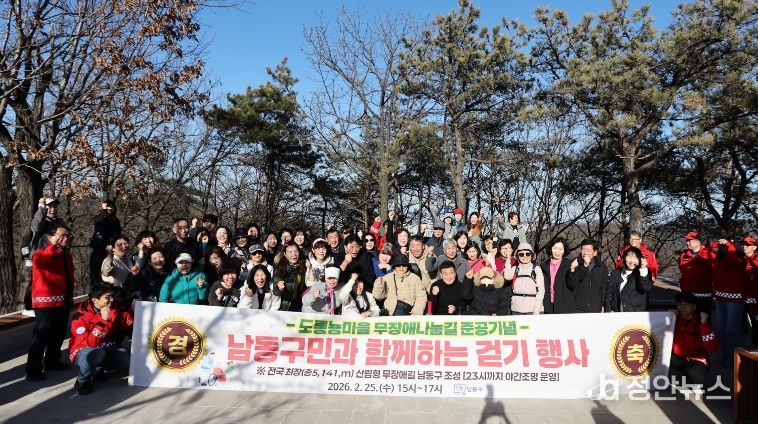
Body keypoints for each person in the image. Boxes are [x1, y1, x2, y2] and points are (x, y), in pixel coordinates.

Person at [25, 224, 74, 382]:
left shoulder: (65, 254)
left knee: (59, 334)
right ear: (50, 237)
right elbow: (40, 263)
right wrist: (53, 245)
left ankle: (52, 361)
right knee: (41, 336)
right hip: (45, 302)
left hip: (63, 300)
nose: (65, 238)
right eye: (62, 235)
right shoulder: (40, 254)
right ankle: (33, 369)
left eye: (67, 236)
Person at [68, 284, 133, 395]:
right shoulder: (80, 316)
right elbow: (90, 344)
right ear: (95, 300)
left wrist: (130, 308)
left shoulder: (113, 307)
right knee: (95, 353)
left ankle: (98, 369)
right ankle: (82, 381)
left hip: (105, 346)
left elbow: (127, 324)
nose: (111, 299)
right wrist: (103, 321)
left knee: (126, 359)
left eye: (112, 296)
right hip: (82, 350)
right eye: (107, 297)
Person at [709, 237, 745, 366]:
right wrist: (718, 242)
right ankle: (723, 355)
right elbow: (709, 249)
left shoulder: (739, 260)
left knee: (732, 330)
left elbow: (731, 258)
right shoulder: (718, 259)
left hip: (734, 300)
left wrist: (729, 244)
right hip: (720, 298)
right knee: (720, 329)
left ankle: (733, 358)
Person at [670, 292, 719, 388]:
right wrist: (667, 318)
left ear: (694, 307)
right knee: (658, 357)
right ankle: (681, 375)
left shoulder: (701, 321)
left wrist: (704, 325)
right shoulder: (674, 318)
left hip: (696, 360)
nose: (682, 307)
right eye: (680, 304)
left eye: (687, 305)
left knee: (697, 377)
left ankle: (693, 378)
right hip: (677, 358)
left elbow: (713, 347)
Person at [21, 197, 66, 267]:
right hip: (43, 258)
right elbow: (38, 223)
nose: (53, 209)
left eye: (55, 207)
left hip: (57, 258)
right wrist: (42, 209)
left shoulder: (60, 222)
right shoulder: (42, 222)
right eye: (49, 207)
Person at [605, 247, 653, 312]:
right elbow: (609, 294)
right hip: (617, 313)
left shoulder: (643, 272)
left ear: (640, 259)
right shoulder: (615, 273)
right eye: (629, 257)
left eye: (635, 258)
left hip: (636, 314)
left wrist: (643, 269)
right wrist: (608, 310)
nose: (632, 261)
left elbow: (645, 288)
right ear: (624, 258)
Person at [567, 238, 609, 313]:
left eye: (589, 250)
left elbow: (604, 289)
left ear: (595, 253)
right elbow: (572, 284)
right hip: (576, 308)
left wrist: (603, 305)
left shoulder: (602, 267)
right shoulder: (574, 264)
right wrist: (584, 266)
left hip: (595, 308)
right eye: (583, 249)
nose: (585, 252)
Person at [504, 242, 545, 315]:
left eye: (528, 254)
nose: (525, 256)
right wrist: (508, 260)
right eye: (521, 254)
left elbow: (541, 290)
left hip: (532, 309)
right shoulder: (515, 268)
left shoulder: (536, 269)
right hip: (516, 309)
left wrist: (537, 308)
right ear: (518, 256)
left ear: (531, 255)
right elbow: (507, 277)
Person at [678, 231, 713, 313]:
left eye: (689, 240)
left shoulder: (709, 255)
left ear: (698, 242)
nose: (687, 243)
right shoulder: (684, 255)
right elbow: (681, 269)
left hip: (703, 295)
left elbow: (715, 272)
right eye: (687, 240)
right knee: (688, 318)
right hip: (687, 294)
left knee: (703, 318)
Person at [88, 200, 122, 285]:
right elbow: (99, 223)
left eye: (112, 206)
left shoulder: (116, 220)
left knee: (109, 273)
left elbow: (117, 234)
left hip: (111, 250)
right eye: (107, 206)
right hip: (98, 249)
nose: (110, 208)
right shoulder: (97, 217)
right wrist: (104, 211)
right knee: (96, 274)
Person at [540, 238, 574, 314]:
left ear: (564, 250)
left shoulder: (569, 265)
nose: (557, 251)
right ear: (550, 249)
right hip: (547, 305)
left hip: (564, 305)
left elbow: (573, 285)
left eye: (560, 249)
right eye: (555, 248)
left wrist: (572, 270)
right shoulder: (544, 266)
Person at [272, 241, 307, 311]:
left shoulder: (303, 266)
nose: (293, 254)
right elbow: (276, 291)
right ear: (284, 254)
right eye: (290, 252)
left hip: (298, 303)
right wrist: (279, 288)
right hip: (284, 304)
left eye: (296, 251)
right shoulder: (280, 268)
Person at [742, 235, 758, 346]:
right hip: (743, 299)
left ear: (754, 247)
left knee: (756, 326)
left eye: (747, 245)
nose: (744, 246)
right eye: (744, 244)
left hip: (755, 301)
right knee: (744, 327)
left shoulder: (756, 261)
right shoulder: (742, 260)